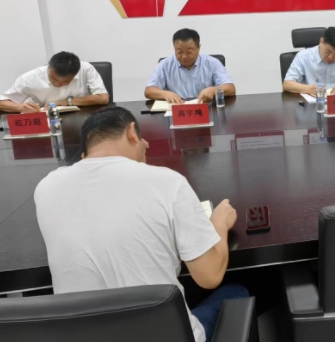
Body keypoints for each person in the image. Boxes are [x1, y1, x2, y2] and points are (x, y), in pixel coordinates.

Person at [34, 107, 248, 342]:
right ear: (131, 132)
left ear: (85, 155)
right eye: (142, 138)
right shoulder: (168, 182)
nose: (146, 144)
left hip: (85, 335)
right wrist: (219, 223)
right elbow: (209, 276)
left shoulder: (46, 188)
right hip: (166, 335)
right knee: (236, 292)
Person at [145, 29, 235, 104]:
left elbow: (231, 89)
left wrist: (213, 90)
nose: (184, 56)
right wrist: (165, 94)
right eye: (179, 52)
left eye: (189, 52)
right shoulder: (165, 65)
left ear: (198, 48)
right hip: (176, 113)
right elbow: (149, 91)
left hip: (206, 112)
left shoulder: (212, 63)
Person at [0, 51, 109, 113]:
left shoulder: (85, 69)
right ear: (49, 68)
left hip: (83, 118)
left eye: (65, 82)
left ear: (75, 74)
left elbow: (103, 98)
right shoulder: (29, 79)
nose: (57, 84)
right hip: (48, 122)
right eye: (53, 79)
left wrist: (66, 102)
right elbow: (2, 102)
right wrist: (19, 107)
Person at [283, 26, 335, 95]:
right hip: (313, 104)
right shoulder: (303, 56)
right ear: (321, 41)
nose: (331, 57)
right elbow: (287, 85)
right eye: (328, 51)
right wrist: (309, 89)